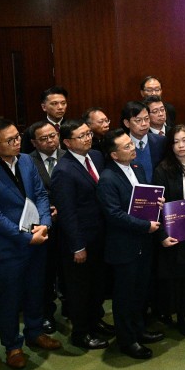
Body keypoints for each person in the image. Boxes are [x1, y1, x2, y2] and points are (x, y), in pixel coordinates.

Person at [0, 118, 60, 370]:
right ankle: (12, 346)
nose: (16, 142)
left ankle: (35, 331)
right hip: (7, 248)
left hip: (37, 240)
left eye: (17, 137)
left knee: (36, 291)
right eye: (9, 140)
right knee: (10, 300)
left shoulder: (27, 161)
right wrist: (26, 237)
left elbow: (41, 194)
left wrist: (45, 224)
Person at [97, 129, 164, 359]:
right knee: (125, 295)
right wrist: (145, 226)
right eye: (126, 146)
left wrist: (157, 202)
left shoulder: (137, 167)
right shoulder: (107, 179)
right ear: (114, 155)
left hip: (144, 244)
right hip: (124, 246)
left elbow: (143, 198)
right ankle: (127, 341)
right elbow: (114, 215)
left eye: (130, 144)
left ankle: (139, 329)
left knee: (141, 291)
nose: (132, 148)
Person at [51, 119, 110, 350]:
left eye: (88, 134)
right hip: (79, 242)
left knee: (97, 284)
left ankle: (96, 321)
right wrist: (77, 246)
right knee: (80, 289)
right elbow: (67, 212)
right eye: (81, 136)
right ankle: (81, 333)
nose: (88, 138)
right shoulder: (63, 171)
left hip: (100, 235)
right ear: (66, 142)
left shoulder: (95, 156)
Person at [151, 124, 185, 338]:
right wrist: (162, 234)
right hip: (176, 230)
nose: (181, 145)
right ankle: (182, 314)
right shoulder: (163, 169)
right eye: (176, 141)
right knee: (180, 274)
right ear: (170, 145)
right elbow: (156, 207)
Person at [25, 119, 66, 334]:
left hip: (68, 224)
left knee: (68, 270)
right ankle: (46, 314)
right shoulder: (27, 162)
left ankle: (70, 308)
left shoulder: (67, 156)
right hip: (43, 226)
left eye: (53, 136)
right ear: (34, 142)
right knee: (46, 274)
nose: (51, 141)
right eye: (44, 138)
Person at [122, 100, 164, 175]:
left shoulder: (161, 141)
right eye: (138, 120)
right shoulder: (121, 146)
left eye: (147, 119)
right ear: (127, 123)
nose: (144, 124)